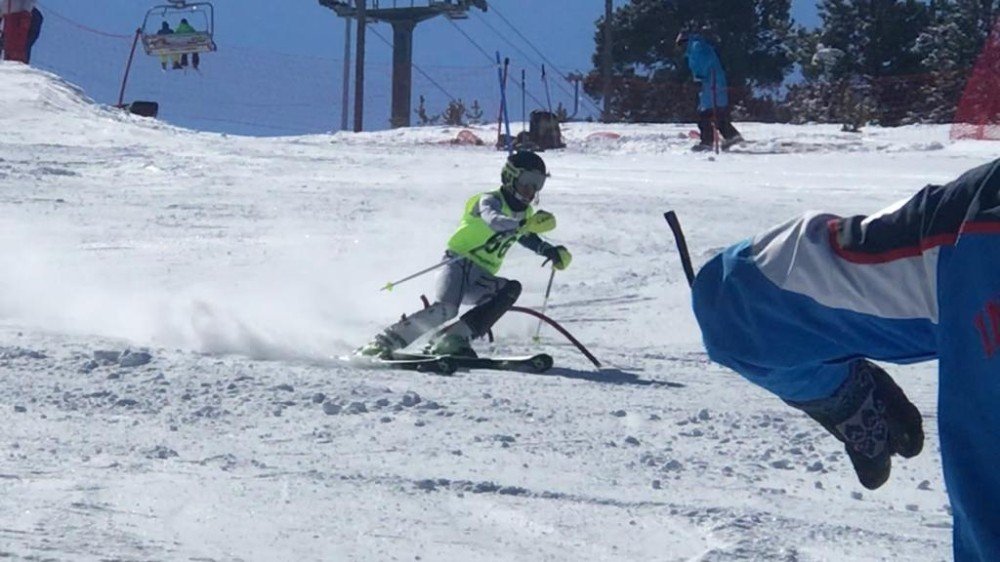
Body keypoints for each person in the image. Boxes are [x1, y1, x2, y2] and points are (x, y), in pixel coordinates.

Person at [690, 159, 1000, 561]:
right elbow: (740, 303)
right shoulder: (970, 229)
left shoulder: (972, 227)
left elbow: (738, 305)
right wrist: (843, 397)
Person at [356, 151, 572, 359]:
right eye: (528, 180)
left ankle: (452, 339)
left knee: (509, 290)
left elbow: (526, 237)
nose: (531, 189)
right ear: (510, 176)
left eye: (538, 183)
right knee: (446, 309)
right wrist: (522, 225)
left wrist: (549, 251)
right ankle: (383, 342)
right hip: (457, 264)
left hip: (481, 277)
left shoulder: (525, 214)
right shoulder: (488, 200)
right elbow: (494, 220)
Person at [676, 30, 743, 152]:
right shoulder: (696, 47)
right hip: (711, 84)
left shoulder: (697, 47)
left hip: (712, 84)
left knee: (707, 115)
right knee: (715, 114)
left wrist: (699, 75)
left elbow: (704, 63)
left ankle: (708, 142)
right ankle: (732, 136)